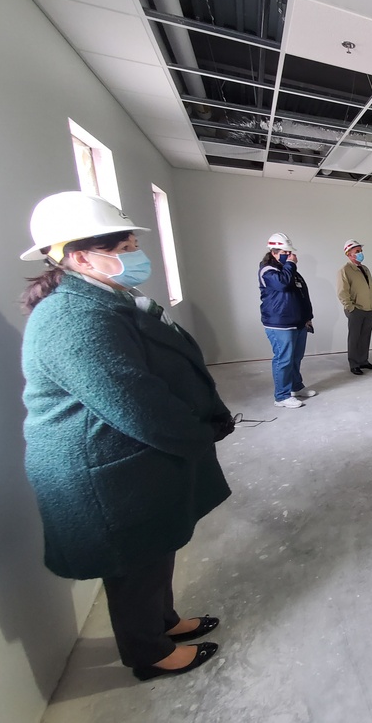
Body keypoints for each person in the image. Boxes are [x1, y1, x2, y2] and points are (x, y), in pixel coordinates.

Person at [18, 191, 233, 681]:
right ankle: (148, 652)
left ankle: (165, 621)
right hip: (103, 471)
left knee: (156, 549)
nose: (134, 255)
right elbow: (135, 403)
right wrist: (198, 431)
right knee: (133, 562)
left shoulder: (100, 297)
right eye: (124, 247)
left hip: (130, 460)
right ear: (79, 256)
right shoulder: (72, 318)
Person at [258, 232, 316, 408]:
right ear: (274, 252)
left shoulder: (290, 272)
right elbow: (282, 284)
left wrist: (307, 318)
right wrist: (290, 264)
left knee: (296, 357)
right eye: (286, 252)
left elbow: (302, 295)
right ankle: (281, 396)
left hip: (297, 322)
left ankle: (295, 387)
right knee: (283, 359)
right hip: (280, 324)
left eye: (290, 253)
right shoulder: (268, 270)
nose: (290, 256)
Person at [337, 238, 372, 375]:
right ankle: (354, 364)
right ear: (349, 254)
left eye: (361, 251)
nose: (360, 253)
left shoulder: (365, 269)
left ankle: (363, 360)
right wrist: (350, 308)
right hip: (356, 310)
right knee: (354, 337)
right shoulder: (345, 270)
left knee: (365, 336)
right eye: (357, 251)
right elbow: (342, 292)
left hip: (369, 308)